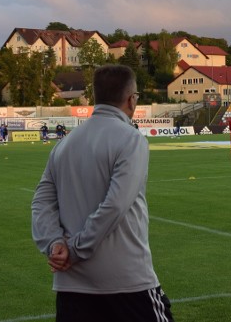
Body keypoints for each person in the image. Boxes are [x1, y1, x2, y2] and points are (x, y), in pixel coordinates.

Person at [31, 65, 174, 322]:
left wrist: (55, 245)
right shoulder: (131, 139)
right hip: (126, 282)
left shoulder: (64, 144)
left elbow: (41, 202)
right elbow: (115, 206)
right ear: (131, 100)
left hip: (72, 286)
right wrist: (74, 249)